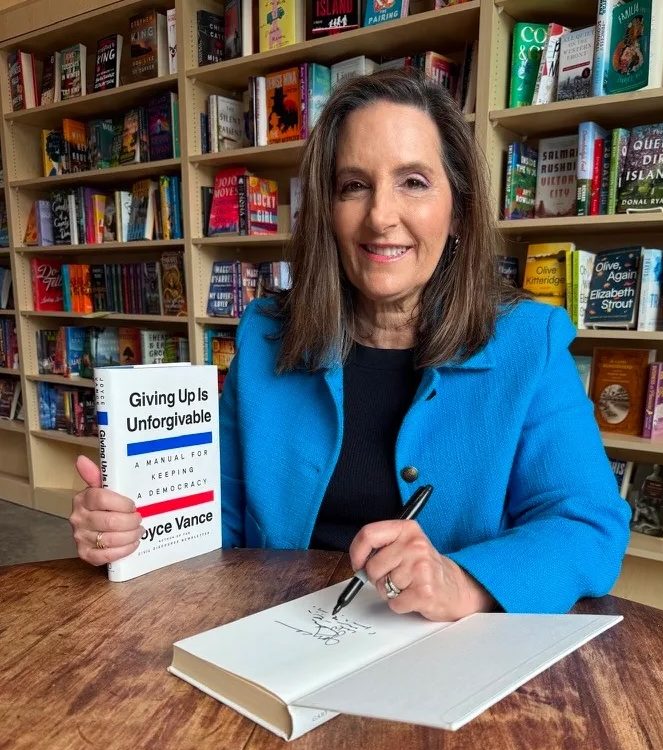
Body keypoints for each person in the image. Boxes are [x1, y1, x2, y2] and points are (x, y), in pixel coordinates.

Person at [69, 70, 630, 621]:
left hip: (448, 662)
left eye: (413, 181)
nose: (381, 216)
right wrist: (135, 528)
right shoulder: (267, 337)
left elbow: (588, 524)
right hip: (279, 636)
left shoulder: (529, 342)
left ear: (456, 210)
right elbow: (219, 518)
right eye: (354, 185)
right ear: (327, 212)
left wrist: (461, 581)